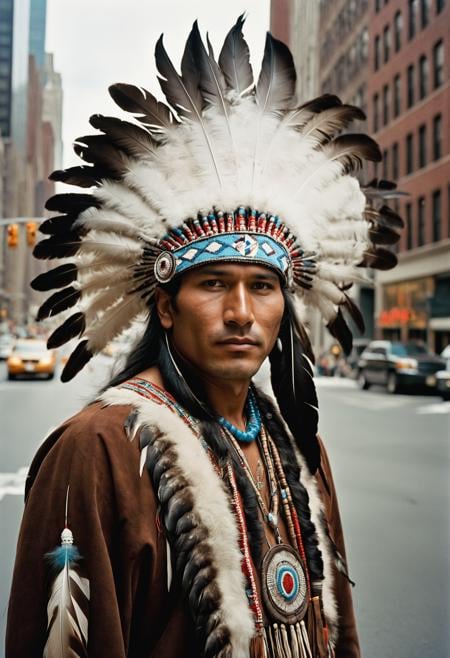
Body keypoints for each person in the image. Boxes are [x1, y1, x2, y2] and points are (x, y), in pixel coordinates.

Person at [6, 16, 403, 658]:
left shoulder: (300, 451)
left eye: (263, 286)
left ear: (284, 304)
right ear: (166, 307)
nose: (242, 311)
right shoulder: (96, 452)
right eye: (214, 284)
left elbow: (339, 630)